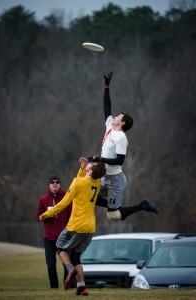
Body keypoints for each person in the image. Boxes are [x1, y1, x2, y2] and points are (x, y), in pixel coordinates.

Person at [88, 71, 159, 221]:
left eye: (119, 117)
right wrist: (107, 86)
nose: (115, 116)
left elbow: (120, 161)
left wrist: (99, 158)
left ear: (123, 123)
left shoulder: (121, 138)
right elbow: (107, 106)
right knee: (88, 193)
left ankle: (142, 205)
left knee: (113, 215)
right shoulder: (110, 126)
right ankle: (114, 204)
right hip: (103, 175)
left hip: (115, 179)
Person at [39, 158, 106, 296]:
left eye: (90, 164)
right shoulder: (97, 182)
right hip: (90, 228)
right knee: (76, 256)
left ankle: (69, 269)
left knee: (59, 246)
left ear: (91, 170)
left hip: (77, 225)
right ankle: (82, 288)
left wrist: (46, 214)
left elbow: (63, 203)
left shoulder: (78, 182)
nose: (89, 163)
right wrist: (82, 169)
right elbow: (83, 182)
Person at [36, 175, 72, 289]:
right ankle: (54, 288)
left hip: (64, 237)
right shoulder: (43, 199)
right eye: (52, 182)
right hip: (49, 238)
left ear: (60, 184)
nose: (55, 184)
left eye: (57, 182)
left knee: (66, 264)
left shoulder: (67, 198)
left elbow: (71, 216)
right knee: (51, 264)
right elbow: (38, 215)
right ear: (49, 185)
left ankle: (68, 287)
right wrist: (42, 217)